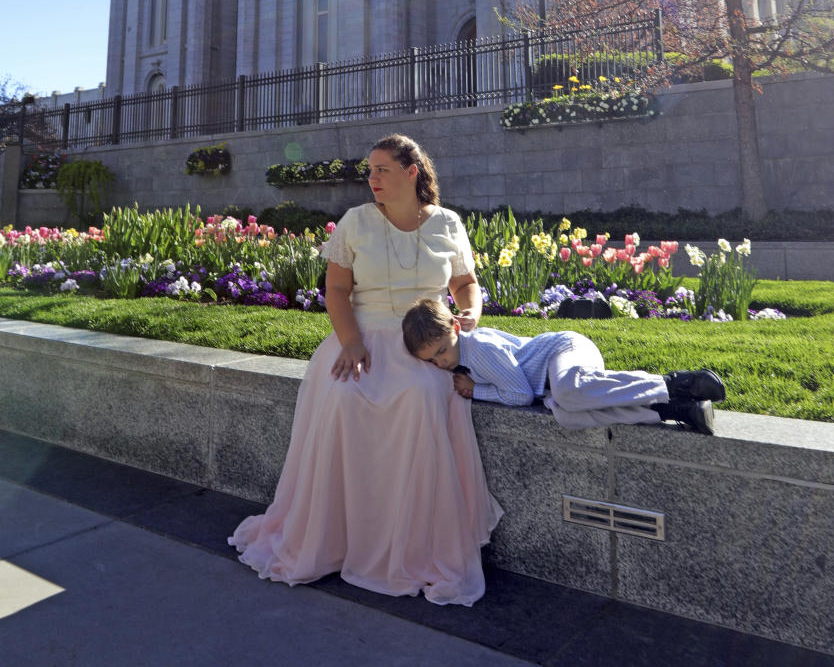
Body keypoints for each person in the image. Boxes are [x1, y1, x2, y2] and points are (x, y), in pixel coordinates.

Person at [229, 135, 502, 605]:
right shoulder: (355, 222)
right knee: (341, 395)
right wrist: (352, 342)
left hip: (423, 341)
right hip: (362, 335)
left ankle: (410, 545)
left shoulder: (447, 223)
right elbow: (336, 292)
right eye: (369, 171)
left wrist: (470, 314)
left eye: (382, 170)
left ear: (412, 171)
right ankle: (334, 541)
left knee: (420, 395)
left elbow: (465, 283)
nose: (372, 179)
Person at [402, 297, 726, 434]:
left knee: (569, 391)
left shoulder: (478, 349)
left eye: (442, 351)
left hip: (565, 350)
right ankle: (677, 410)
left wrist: (476, 391)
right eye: (432, 360)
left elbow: (519, 394)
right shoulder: (461, 357)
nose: (440, 362)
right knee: (568, 414)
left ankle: (678, 383)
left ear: (456, 328)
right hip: (552, 383)